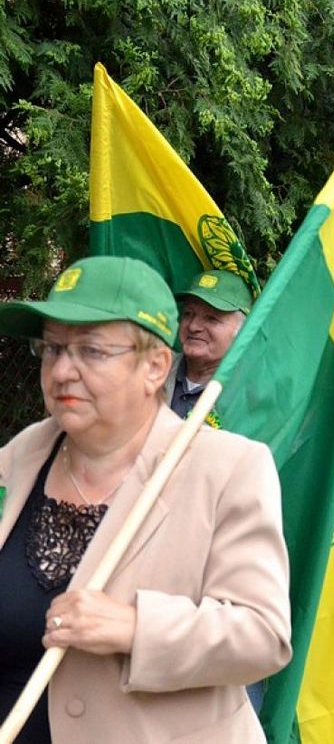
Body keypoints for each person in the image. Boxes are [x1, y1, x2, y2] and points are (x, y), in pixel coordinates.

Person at [0, 256, 291, 742]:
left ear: (155, 366)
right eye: (52, 349)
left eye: (91, 351)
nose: (63, 370)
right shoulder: (18, 458)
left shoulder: (229, 468)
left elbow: (263, 635)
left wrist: (137, 628)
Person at [165, 269, 252, 417]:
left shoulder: (249, 394)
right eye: (188, 314)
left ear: (242, 330)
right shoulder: (153, 370)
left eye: (211, 318)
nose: (193, 326)